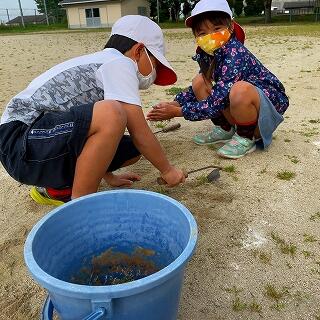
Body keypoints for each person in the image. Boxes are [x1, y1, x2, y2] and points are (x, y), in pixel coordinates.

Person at [0, 15, 185, 206]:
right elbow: (139, 130)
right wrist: (167, 170)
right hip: (20, 140)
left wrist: (109, 176)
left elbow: (92, 134)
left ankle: (56, 190)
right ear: (139, 51)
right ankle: (81, 206)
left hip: (34, 144)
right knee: (113, 114)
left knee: (130, 148)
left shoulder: (101, 63)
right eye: (154, 64)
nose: (153, 76)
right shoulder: (120, 63)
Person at [147, 0, 289, 159]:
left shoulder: (235, 53)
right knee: (200, 81)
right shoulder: (207, 54)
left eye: (217, 29)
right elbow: (202, 90)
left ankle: (246, 137)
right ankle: (225, 128)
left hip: (265, 110)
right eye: (202, 33)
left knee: (240, 89)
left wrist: (179, 112)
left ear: (231, 27)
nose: (210, 36)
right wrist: (176, 103)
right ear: (196, 36)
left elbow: (218, 99)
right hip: (242, 105)